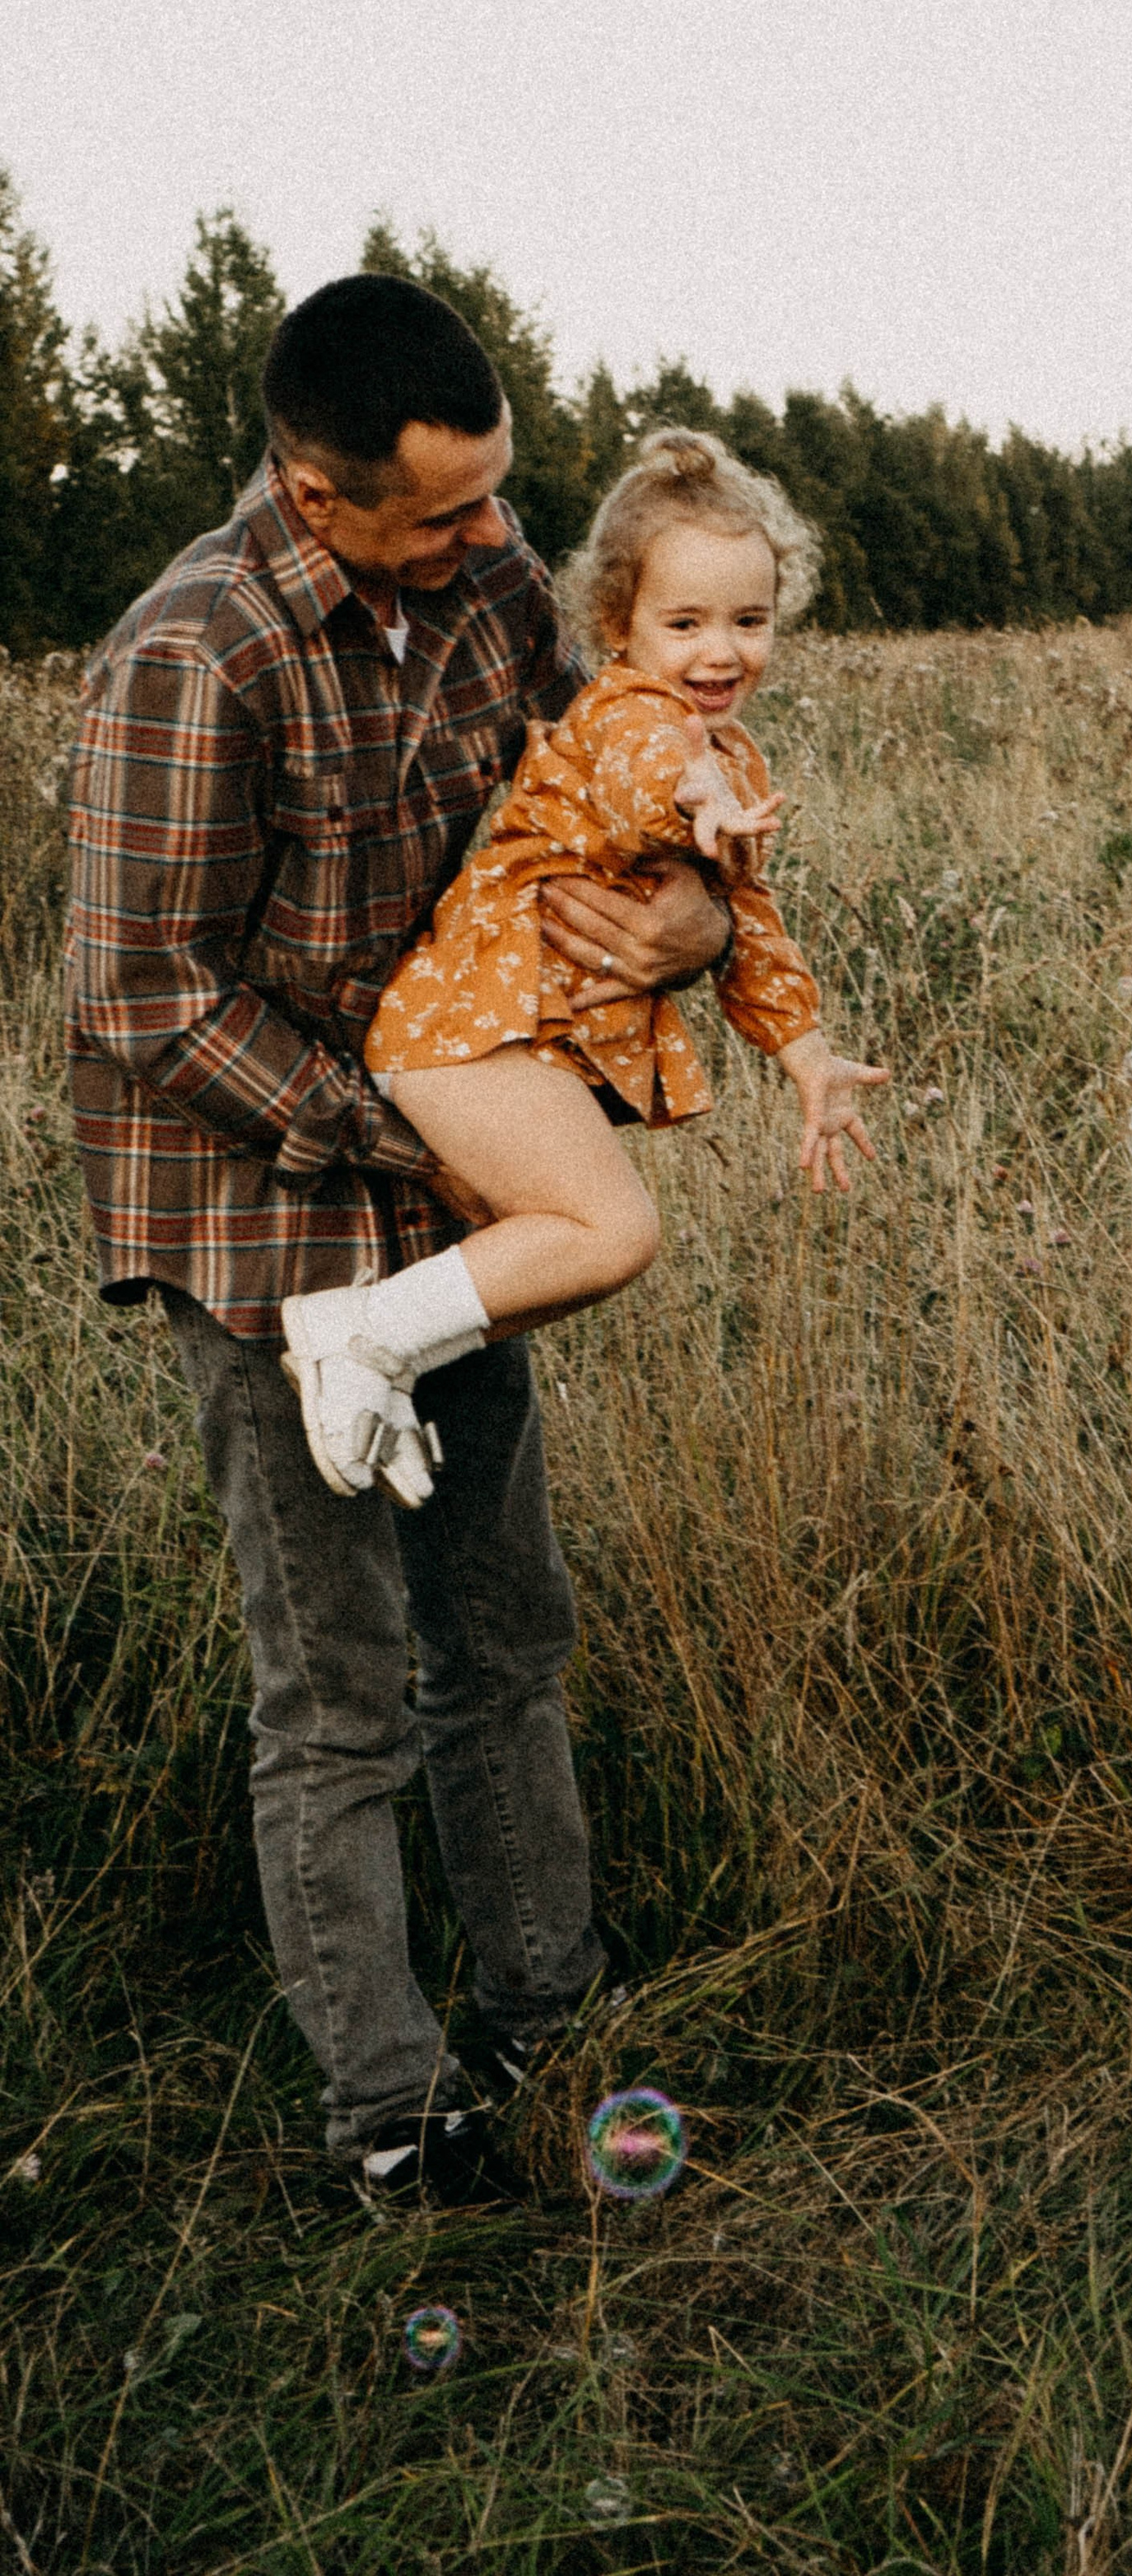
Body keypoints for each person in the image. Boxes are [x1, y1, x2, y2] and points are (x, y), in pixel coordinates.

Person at [66, 273, 733, 2203]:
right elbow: (142, 991)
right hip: (262, 1219)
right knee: (336, 1688)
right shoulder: (191, 656)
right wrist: (403, 1136)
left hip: (447, 1202)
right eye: (443, 512)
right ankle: (388, 2110)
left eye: (497, 493)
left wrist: (691, 916)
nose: (491, 536)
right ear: (314, 487)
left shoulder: (493, 583)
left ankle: (547, 2006)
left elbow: (617, 780)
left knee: (502, 1633)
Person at [277, 428, 889, 1503]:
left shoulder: (730, 756)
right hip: (464, 1033)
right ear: (619, 624)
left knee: (567, 1255)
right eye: (685, 622)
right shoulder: (630, 715)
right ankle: (354, 1334)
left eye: (749, 621)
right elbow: (643, 780)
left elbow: (750, 925)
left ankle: (389, 1358)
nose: (721, 651)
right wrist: (696, 797)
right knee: (614, 1231)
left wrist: (809, 1058)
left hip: (500, 1042)